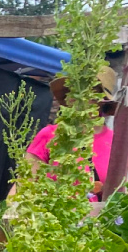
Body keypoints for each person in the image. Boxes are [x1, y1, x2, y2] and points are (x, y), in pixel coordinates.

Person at [24, 68, 117, 196]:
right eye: (73, 89)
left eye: (87, 91)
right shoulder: (50, 135)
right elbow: (23, 186)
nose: (76, 97)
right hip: (50, 214)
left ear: (102, 100)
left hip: (96, 215)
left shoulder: (115, 141)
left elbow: (120, 194)